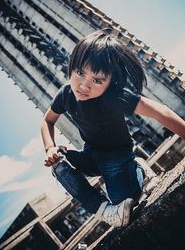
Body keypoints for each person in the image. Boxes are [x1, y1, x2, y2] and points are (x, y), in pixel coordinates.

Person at [41, 29, 185, 228]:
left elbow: (160, 111)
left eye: (97, 80)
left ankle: (138, 170)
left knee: (123, 198)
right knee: (59, 166)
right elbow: (47, 121)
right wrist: (50, 148)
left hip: (116, 154)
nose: (84, 86)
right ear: (71, 66)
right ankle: (105, 211)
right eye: (80, 73)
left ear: (110, 82)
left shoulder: (113, 97)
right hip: (91, 153)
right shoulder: (65, 94)